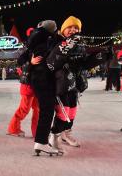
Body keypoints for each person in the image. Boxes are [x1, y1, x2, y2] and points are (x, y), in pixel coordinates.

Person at [46, 16, 113, 152]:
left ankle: (66, 133)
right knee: (62, 112)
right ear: (63, 29)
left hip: (76, 83)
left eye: (76, 28)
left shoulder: (80, 43)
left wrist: (102, 56)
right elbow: (51, 62)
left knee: (72, 111)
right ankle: (54, 136)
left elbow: (84, 64)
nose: (73, 30)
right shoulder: (55, 41)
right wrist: (68, 44)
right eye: (69, 27)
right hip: (61, 83)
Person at [21, 20, 61, 155]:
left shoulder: (34, 38)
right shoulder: (50, 39)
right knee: (47, 110)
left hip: (37, 80)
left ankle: (41, 140)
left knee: (46, 110)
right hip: (44, 79)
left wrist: (30, 63)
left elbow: (20, 60)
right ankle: (41, 142)